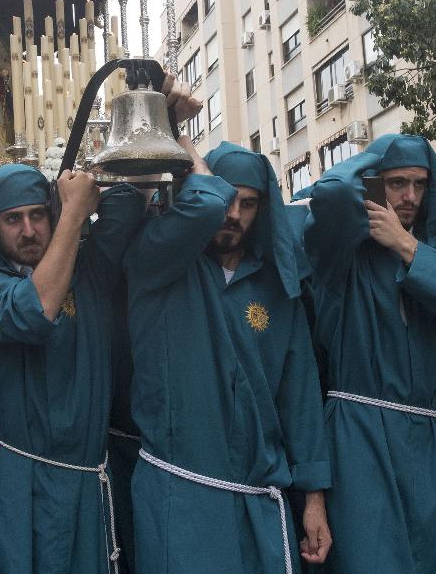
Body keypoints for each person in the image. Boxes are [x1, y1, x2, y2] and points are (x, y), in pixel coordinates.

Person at [123, 138, 331, 574]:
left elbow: (300, 396)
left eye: (249, 203)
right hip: (178, 494)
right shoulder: (160, 264)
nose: (233, 214)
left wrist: (314, 500)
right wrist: (179, 141)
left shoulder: (278, 287)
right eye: (225, 197)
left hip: (258, 497)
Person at [304, 134, 436, 574]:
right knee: (371, 560)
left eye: (419, 183)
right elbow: (334, 190)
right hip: (359, 434)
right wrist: (383, 152)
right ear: (374, 184)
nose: (410, 195)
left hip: (430, 438)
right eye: (396, 183)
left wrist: (406, 246)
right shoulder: (343, 252)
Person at [0, 161, 144, 574]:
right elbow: (34, 312)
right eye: (12, 219)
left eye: (37, 214)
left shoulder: (86, 268)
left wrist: (82, 188)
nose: (28, 230)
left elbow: (129, 205)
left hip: (83, 480)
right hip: (13, 484)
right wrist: (73, 215)